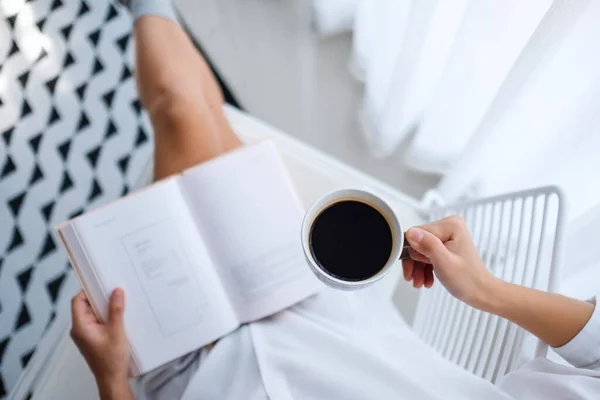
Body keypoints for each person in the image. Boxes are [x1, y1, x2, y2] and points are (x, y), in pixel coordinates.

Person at [69, 1, 600, 399]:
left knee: (182, 115)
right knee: (193, 119)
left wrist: (111, 380)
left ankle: (150, 9)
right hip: (333, 326)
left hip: (208, 381)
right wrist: (484, 290)